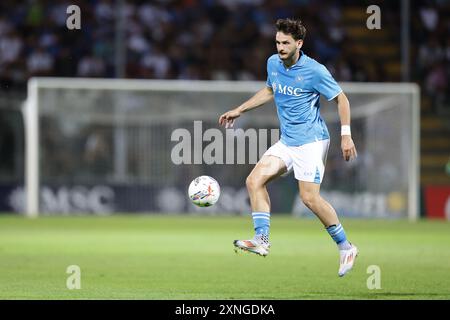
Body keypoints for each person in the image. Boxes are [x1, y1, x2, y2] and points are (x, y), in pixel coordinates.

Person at [218, 18, 358, 277]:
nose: (280, 47)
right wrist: (239, 109)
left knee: (309, 198)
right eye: (277, 42)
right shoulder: (273, 63)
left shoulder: (315, 71)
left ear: (299, 44)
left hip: (312, 142)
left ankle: (346, 246)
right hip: (288, 141)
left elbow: (341, 99)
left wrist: (346, 135)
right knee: (254, 180)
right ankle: (262, 240)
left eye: (285, 43)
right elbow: (270, 91)